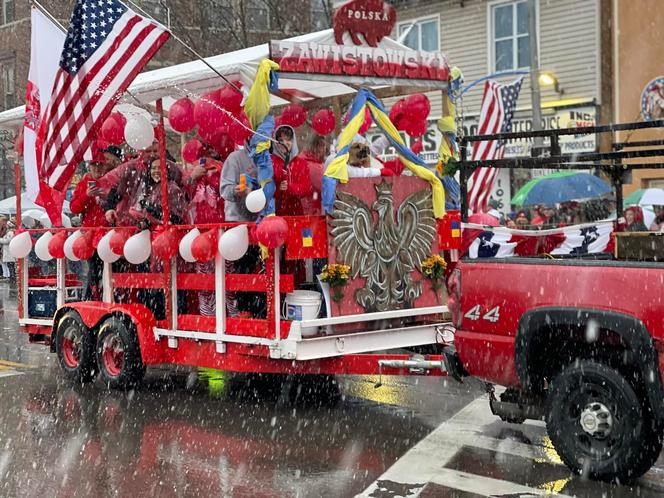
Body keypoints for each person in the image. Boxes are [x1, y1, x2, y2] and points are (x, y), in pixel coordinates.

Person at [220, 143, 264, 318]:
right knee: (243, 272)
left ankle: (261, 313)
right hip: (239, 224)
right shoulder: (235, 159)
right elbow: (224, 190)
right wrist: (238, 191)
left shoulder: (267, 158)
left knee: (263, 271)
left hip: (263, 224)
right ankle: (244, 315)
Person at [70, 151, 112, 300]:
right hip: (91, 235)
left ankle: (103, 296)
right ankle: (91, 297)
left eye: (100, 165)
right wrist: (87, 195)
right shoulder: (84, 184)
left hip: (108, 232)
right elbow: (74, 208)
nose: (98, 169)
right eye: (95, 166)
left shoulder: (111, 180)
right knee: (94, 269)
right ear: (90, 167)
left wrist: (108, 197)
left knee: (109, 269)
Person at [271, 125, 313, 216]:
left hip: (297, 214)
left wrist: (290, 188)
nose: (284, 143)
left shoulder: (302, 163)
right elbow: (265, 187)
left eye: (288, 139)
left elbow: (306, 188)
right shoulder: (269, 162)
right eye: (281, 140)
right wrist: (278, 189)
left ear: (293, 141)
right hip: (274, 214)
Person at [0, 220, 15, 284]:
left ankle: (12, 278)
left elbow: (8, 241)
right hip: (7, 251)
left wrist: (0, 240)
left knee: (10, 266)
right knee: (9, 266)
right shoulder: (8, 232)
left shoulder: (10, 233)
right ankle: (11, 277)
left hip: (9, 252)